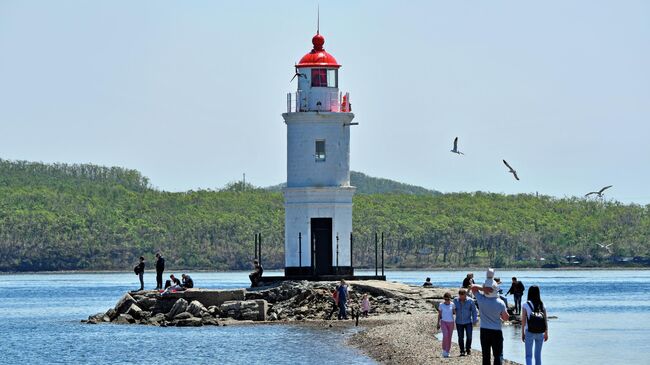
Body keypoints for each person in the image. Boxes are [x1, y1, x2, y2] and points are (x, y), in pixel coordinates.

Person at [470, 283, 510, 365]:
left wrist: (482, 289)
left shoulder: (481, 299)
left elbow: (473, 287)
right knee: (497, 355)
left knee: (486, 355)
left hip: (484, 330)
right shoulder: (500, 302)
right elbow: (505, 318)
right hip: (496, 331)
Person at [521, 285, 548, 365]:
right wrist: (546, 332)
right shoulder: (542, 304)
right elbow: (545, 320)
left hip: (529, 332)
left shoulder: (525, 305)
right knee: (538, 355)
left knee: (528, 355)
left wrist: (522, 333)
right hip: (540, 332)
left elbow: (523, 321)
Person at [454, 288, 478, 356]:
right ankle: (462, 351)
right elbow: (452, 309)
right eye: (460, 296)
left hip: (468, 322)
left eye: (463, 296)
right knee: (460, 337)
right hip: (459, 322)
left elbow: (474, 311)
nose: (462, 298)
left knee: (469, 337)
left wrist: (475, 320)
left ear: (465, 295)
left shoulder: (470, 301)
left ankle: (468, 349)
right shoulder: (455, 300)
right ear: (459, 295)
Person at [437, 292, 456, 358]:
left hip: (451, 322)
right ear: (444, 299)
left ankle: (447, 351)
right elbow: (439, 314)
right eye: (446, 299)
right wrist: (438, 323)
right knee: (445, 335)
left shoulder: (452, 304)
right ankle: (444, 350)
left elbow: (454, 313)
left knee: (449, 337)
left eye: (448, 299)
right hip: (443, 322)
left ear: (450, 299)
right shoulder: (441, 305)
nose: (447, 301)